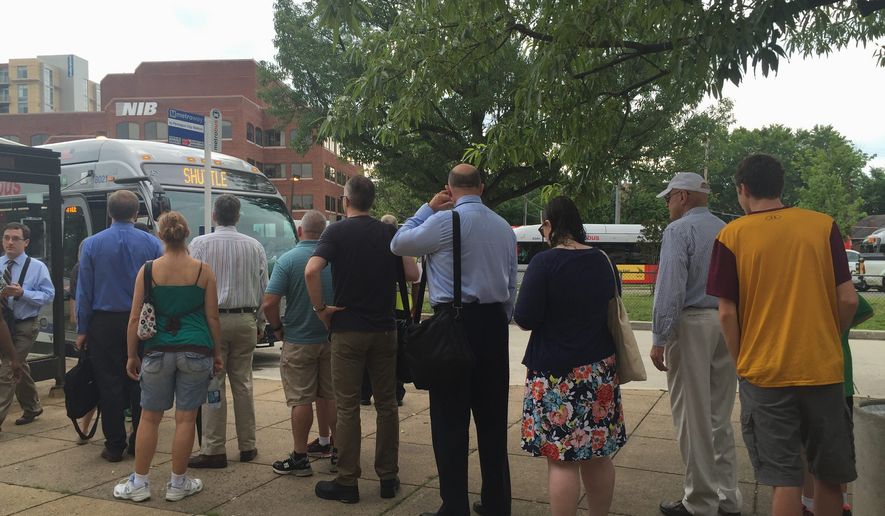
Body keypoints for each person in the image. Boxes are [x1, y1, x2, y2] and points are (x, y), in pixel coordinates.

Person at [707, 153, 858, 516]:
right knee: (829, 477)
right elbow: (848, 299)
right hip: (822, 370)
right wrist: (826, 336)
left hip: (765, 374)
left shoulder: (732, 235)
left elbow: (726, 312)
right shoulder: (822, 226)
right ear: (780, 186)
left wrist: (742, 363)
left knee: (785, 478)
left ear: (743, 189)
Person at [391, 164, 517, 516]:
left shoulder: (445, 221)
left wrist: (427, 208)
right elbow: (511, 285)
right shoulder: (503, 227)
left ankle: (455, 506)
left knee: (450, 421)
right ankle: (497, 503)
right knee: (492, 421)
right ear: (482, 187)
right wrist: (500, 319)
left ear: (449, 188)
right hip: (493, 325)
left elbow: (398, 243)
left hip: (453, 324)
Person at [306, 175, 419, 504]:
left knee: (347, 406)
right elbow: (412, 274)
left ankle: (347, 481)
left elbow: (311, 270)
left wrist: (321, 310)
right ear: (372, 201)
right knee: (387, 405)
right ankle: (388, 477)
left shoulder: (336, 232)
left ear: (345, 201)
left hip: (347, 329)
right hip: (384, 329)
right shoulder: (389, 233)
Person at [513, 196, 626, 516]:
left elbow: (525, 318)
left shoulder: (544, 263)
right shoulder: (603, 261)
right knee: (599, 454)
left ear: (549, 225)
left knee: (562, 459)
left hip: (555, 375)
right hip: (598, 371)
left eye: (542, 229)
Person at [648, 172, 742, 516]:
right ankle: (728, 497)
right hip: (726, 321)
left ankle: (700, 500)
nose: (668, 204)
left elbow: (670, 287)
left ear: (683, 197)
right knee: (719, 416)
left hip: (692, 324)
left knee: (692, 417)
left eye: (669, 198)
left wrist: (659, 337)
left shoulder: (678, 231)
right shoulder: (728, 230)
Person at [113, 211, 222, 502]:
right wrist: (217, 353)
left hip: (157, 349)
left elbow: (134, 318)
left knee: (149, 418)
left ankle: (139, 483)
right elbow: (213, 318)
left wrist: (131, 355)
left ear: (160, 235)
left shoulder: (148, 271)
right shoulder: (203, 271)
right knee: (186, 419)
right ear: (187, 234)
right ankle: (177, 483)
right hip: (196, 348)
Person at [77, 190, 163, 462]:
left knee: (108, 383)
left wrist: (82, 329)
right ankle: (139, 440)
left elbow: (84, 291)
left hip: (104, 321)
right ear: (136, 213)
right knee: (140, 381)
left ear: (110, 213)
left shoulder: (91, 245)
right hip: (142, 320)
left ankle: (114, 444)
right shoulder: (152, 244)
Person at [188, 194, 267, 469]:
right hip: (245, 318)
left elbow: (192, 286)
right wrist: (260, 322)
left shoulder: (200, 244)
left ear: (214, 216)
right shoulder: (255, 246)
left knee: (213, 383)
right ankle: (248, 445)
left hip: (213, 321)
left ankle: (213, 448)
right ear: (238, 216)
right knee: (243, 383)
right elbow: (263, 288)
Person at [262, 209, 337, 477]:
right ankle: (338, 452)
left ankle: (300, 457)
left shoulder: (288, 260)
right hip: (332, 338)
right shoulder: (334, 260)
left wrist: (277, 328)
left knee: (301, 399)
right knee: (331, 395)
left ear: (299, 231)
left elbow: (269, 302)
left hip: (298, 339)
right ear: (324, 232)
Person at [801, 294, 873, 516]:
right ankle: (842, 502)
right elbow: (862, 308)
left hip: (807, 375)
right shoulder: (839, 290)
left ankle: (808, 502)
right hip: (840, 377)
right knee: (838, 448)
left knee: (806, 446)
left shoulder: (806, 291)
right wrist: (840, 327)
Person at [0, 222, 55, 429]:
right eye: (6, 238)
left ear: (26, 242)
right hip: (3, 324)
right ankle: (32, 407)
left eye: (15, 238)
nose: (10, 242)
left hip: (25, 324)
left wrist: (23, 293)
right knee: (18, 365)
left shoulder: (37, 267)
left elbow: (49, 295)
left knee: (7, 369)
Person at [361, 213, 407, 407]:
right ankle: (396, 393)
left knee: (367, 353)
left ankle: (364, 392)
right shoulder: (401, 248)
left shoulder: (369, 248)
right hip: (397, 308)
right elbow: (414, 276)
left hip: (371, 307)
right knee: (393, 354)